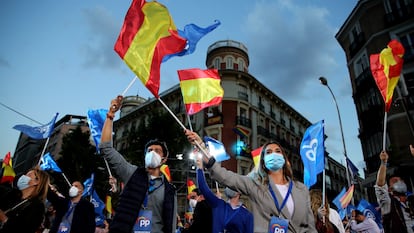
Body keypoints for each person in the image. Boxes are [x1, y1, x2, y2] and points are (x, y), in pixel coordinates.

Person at [185, 129, 317, 233]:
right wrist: (201, 145)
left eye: (278, 151)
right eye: (269, 152)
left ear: (284, 158)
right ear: (263, 161)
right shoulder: (255, 186)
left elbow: (310, 228)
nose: (274, 154)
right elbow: (223, 175)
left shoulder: (301, 190)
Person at [99, 95, 177, 233]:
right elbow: (106, 148)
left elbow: (170, 223)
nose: (152, 153)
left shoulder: (169, 190)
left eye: (157, 151)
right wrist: (110, 116)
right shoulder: (131, 173)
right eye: (149, 150)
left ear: (164, 159)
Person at [196, 158, 254, 233]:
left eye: (233, 186)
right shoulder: (218, 204)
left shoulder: (247, 215)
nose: (229, 187)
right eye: (228, 186)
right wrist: (199, 168)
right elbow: (203, 187)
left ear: (239, 191)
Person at [375, 149, 414, 233]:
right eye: (395, 181)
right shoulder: (388, 202)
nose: (400, 182)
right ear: (389, 189)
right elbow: (380, 185)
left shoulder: (411, 200)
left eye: (401, 180)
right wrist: (383, 162)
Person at [0, 167, 50, 233]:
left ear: (36, 182)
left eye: (28, 175)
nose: (22, 177)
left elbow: (24, 229)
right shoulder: (13, 194)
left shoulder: (38, 207)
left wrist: (4, 219)